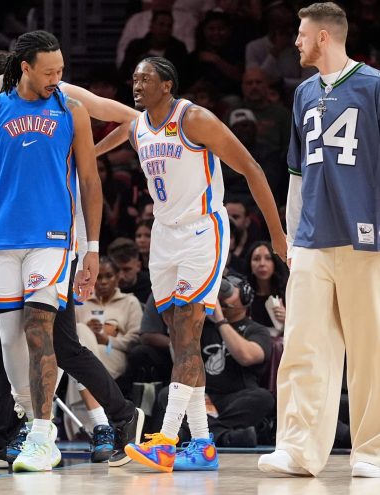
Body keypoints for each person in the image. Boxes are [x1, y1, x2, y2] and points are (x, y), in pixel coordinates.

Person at [0, 48, 145, 471]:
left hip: (55, 235)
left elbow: (128, 120)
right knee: (40, 344)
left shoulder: (62, 98)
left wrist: (92, 151)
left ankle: (19, 433)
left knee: (37, 340)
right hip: (7, 237)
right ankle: (108, 416)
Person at [124, 56, 286, 473]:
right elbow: (105, 115)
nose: (136, 85)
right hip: (164, 235)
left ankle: (166, 440)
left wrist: (277, 234)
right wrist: (84, 152)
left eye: (145, 78)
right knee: (181, 339)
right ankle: (202, 444)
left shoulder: (193, 119)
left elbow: (251, 168)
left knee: (189, 328)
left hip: (201, 231)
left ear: (167, 85)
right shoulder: (137, 128)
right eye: (134, 79)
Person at [258, 2, 380, 478]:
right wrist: (291, 238)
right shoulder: (304, 93)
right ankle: (298, 449)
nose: (296, 42)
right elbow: (296, 173)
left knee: (370, 348)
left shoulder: (373, 86)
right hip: (311, 237)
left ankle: (371, 451)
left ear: (324, 37)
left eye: (302, 34)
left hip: (365, 237)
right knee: (302, 345)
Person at [157, 274, 274, 448]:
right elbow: (181, 360)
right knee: (167, 393)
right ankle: (224, 436)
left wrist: (220, 320)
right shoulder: (202, 326)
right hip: (203, 397)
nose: (221, 297)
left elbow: (247, 356)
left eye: (229, 291)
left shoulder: (256, 330)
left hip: (237, 397)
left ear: (245, 296)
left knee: (264, 398)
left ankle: (193, 433)